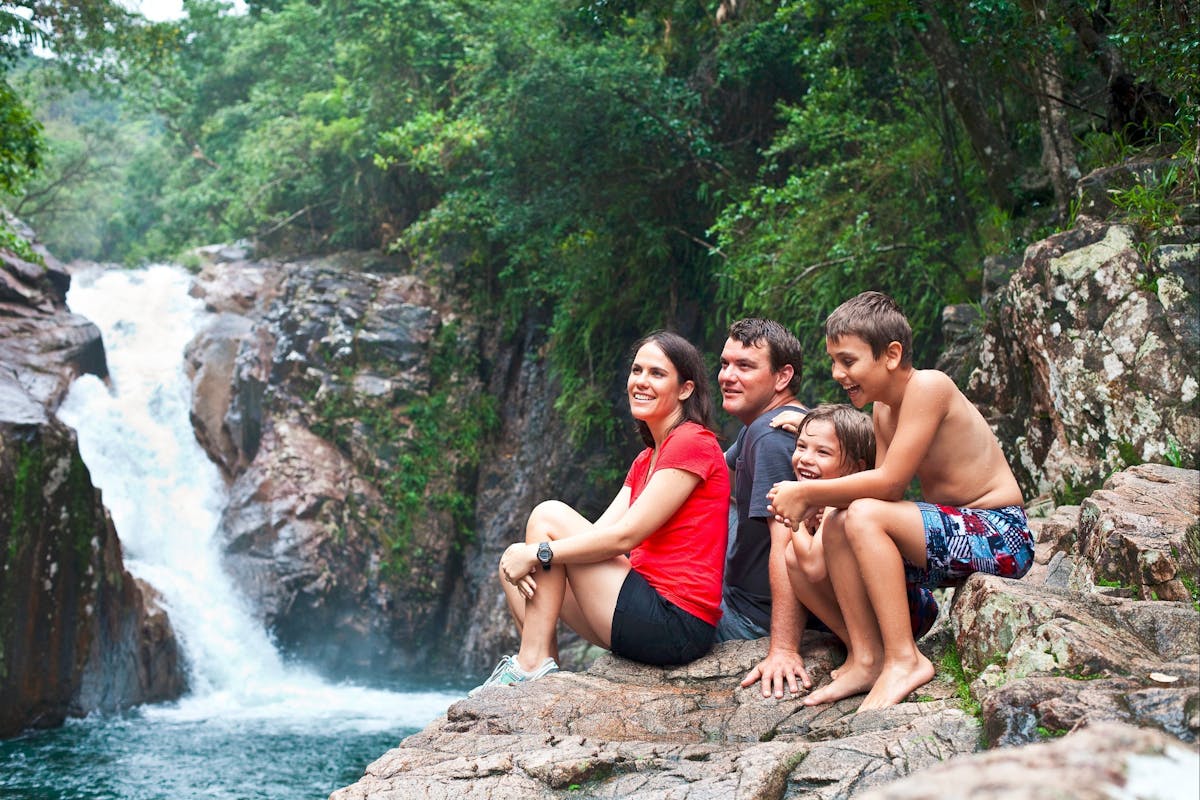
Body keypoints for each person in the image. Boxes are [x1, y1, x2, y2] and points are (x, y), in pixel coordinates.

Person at [767, 291, 1033, 710]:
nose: (837, 372)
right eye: (834, 361)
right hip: (946, 540)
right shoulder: (883, 411)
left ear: (891, 354)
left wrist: (807, 491)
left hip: (999, 533)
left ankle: (904, 660)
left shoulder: (930, 386)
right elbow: (878, 487)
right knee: (840, 521)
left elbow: (889, 485)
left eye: (848, 361)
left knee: (863, 515)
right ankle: (867, 657)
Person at [471, 331, 730, 694]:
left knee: (547, 518)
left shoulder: (693, 442)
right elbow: (596, 535)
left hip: (676, 622)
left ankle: (529, 665)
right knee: (511, 563)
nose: (641, 381)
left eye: (657, 374)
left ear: (685, 389)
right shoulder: (646, 460)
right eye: (637, 370)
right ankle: (541, 671)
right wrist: (529, 555)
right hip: (638, 612)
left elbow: (624, 537)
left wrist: (539, 551)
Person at [780, 404, 939, 682]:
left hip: (910, 610)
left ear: (856, 468)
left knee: (795, 554)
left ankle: (868, 654)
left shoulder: (842, 503)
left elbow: (814, 566)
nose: (805, 459)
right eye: (801, 447)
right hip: (884, 611)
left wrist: (792, 519)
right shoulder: (826, 498)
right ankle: (862, 649)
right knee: (794, 554)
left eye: (823, 453)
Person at [713, 318, 812, 700]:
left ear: (782, 376)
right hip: (748, 585)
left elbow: (786, 544)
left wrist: (783, 649)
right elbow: (710, 479)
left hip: (751, 618)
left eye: (745, 366)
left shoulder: (770, 437)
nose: (727, 376)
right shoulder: (766, 424)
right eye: (725, 364)